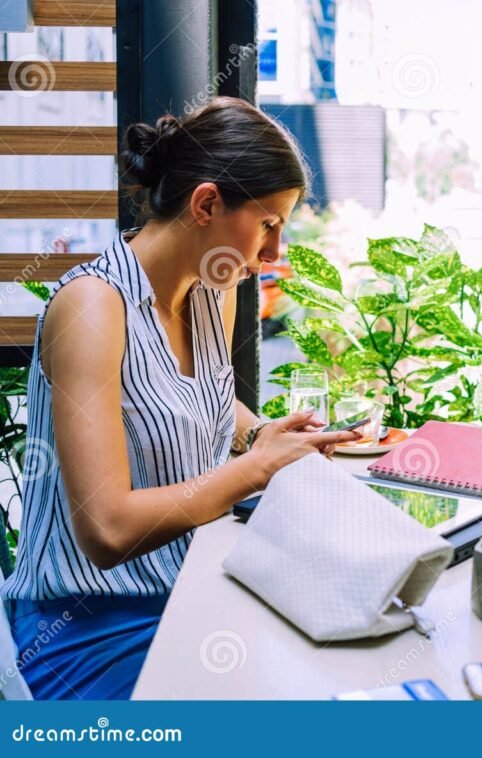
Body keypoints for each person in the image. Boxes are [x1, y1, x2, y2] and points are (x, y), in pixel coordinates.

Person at [0, 97, 360, 699]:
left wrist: (263, 434)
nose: (275, 253)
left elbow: (197, 403)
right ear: (207, 203)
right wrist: (256, 467)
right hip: (90, 625)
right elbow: (108, 530)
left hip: (188, 586)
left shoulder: (206, 293)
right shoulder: (92, 308)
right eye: (269, 223)